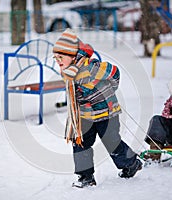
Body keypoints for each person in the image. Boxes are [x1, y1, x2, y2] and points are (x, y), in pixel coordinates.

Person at [52, 28, 142, 188]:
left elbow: (114, 72)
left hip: (107, 113)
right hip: (85, 116)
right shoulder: (67, 72)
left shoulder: (93, 68)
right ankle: (86, 177)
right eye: (55, 58)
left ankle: (131, 164)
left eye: (61, 57)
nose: (58, 61)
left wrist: (110, 89)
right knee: (80, 143)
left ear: (74, 56)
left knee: (111, 142)